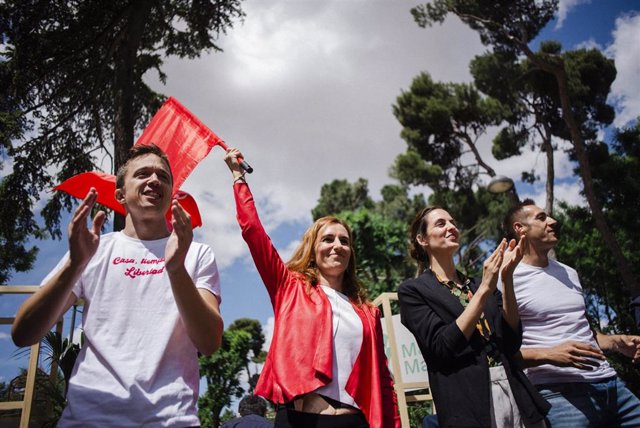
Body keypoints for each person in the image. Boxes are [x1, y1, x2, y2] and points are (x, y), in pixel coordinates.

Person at [12, 144, 223, 426]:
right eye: (143, 174)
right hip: (88, 420)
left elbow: (209, 343)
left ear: (171, 193)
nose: (154, 180)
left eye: (163, 176)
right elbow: (24, 333)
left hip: (172, 420)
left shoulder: (197, 254)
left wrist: (175, 270)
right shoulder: (93, 249)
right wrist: (75, 265)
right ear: (120, 195)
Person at [224, 148, 400, 428]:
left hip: (354, 422)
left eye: (344, 241)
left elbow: (383, 379)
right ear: (313, 248)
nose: (337, 246)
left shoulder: (367, 312)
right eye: (328, 239)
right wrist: (238, 179)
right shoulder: (290, 288)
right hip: (300, 420)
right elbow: (253, 232)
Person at [398, 206, 550, 428]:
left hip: (516, 393)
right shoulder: (414, 291)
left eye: (453, 222)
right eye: (441, 224)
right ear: (422, 239)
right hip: (468, 402)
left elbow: (511, 341)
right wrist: (485, 289)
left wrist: (505, 279)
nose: (451, 227)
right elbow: (443, 347)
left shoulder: (478, 284)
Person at [503, 199, 640, 427]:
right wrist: (549, 354)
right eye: (541, 218)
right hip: (559, 394)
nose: (553, 221)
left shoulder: (569, 273)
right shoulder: (505, 278)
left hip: (612, 385)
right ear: (520, 228)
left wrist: (617, 342)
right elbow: (502, 350)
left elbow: (584, 330)